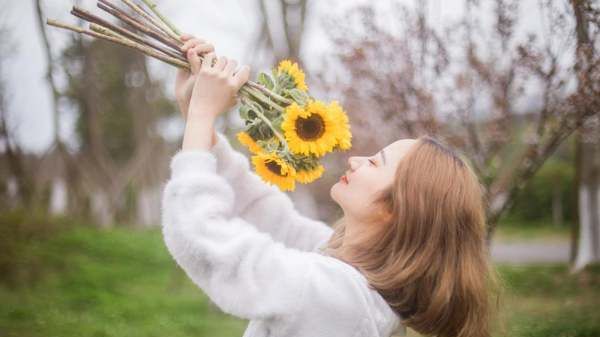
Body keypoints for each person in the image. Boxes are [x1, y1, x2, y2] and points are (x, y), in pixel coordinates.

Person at [161, 34, 500, 337]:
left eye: (376, 162)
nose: (356, 160)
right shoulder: (347, 274)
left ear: (396, 209)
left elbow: (203, 239)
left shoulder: (339, 300)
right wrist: (196, 118)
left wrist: (203, 113)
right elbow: (263, 214)